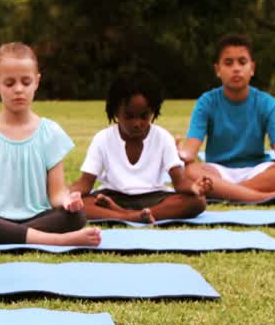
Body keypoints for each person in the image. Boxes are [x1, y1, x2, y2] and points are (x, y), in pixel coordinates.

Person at [0, 43, 101, 246]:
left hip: (39, 217)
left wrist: (68, 201)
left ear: (37, 82)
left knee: (77, 216)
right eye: (9, 83)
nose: (19, 89)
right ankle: (57, 240)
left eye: (26, 81)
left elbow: (56, 194)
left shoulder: (51, 132)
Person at [179, 34, 275, 203]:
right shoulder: (206, 102)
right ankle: (265, 196)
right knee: (190, 172)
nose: (236, 68)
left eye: (242, 62)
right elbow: (190, 152)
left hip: (257, 171)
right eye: (228, 63)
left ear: (252, 68)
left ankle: (229, 193)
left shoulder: (268, 104)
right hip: (218, 172)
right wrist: (181, 154)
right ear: (218, 70)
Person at [70, 71, 211, 222]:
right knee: (78, 204)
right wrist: (63, 194)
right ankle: (132, 216)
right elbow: (85, 184)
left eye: (144, 116)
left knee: (197, 202)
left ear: (153, 112)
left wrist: (194, 188)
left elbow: (179, 182)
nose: (137, 124)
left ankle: (132, 214)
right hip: (113, 195)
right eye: (129, 116)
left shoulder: (163, 137)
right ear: (116, 112)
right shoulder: (102, 138)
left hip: (154, 197)